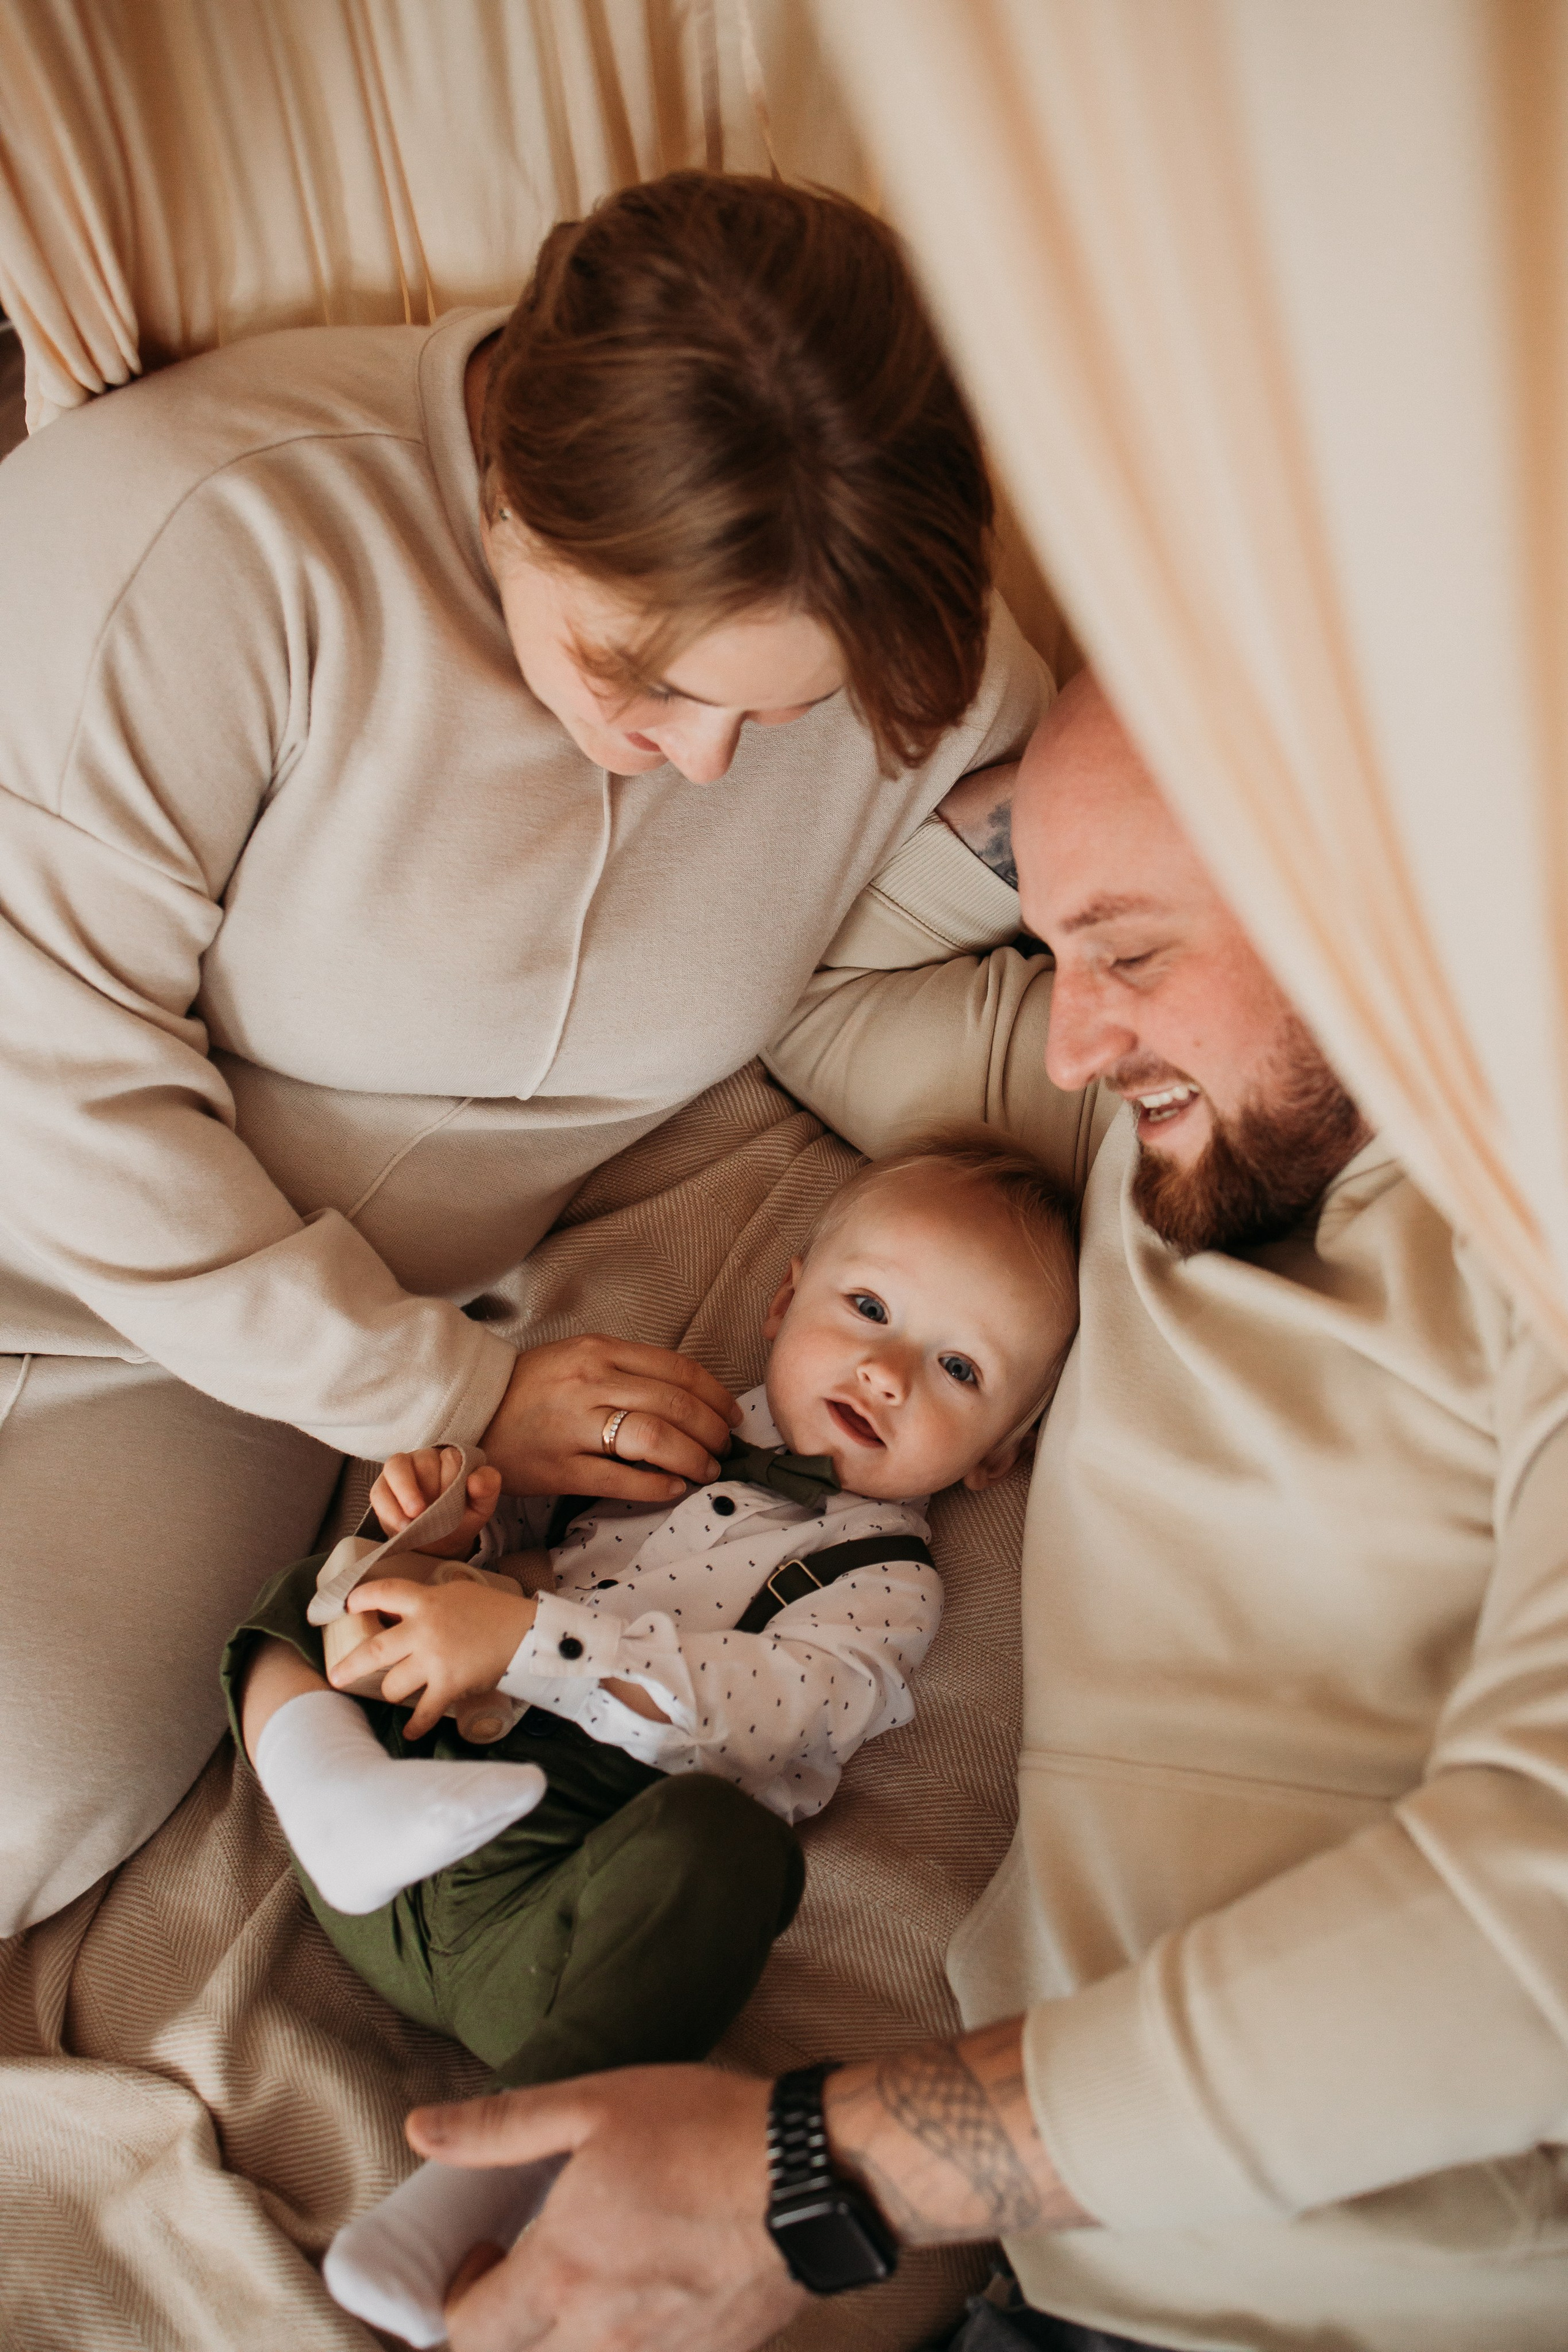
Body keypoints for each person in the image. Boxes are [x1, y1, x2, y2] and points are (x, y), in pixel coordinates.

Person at [398, 672, 1568, 2352]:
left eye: (1130, 950)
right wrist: (1071, 796)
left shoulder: (1523, 1226)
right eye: (1051, 947)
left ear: (1365, 876)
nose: (1072, 1033)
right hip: (1050, 2266)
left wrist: (817, 2174)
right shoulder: (1155, 1110)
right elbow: (798, 984)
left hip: (1390, 2300)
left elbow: (1538, 1923)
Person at [0, 170, 1046, 1936]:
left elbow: (926, 914)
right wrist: (452, 1394)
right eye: (642, 676)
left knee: (25, 1785)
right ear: (509, 485)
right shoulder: (209, 539)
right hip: (96, 1196)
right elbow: (49, 1087)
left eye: (776, 712)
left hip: (221, 1382)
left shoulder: (907, 660)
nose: (702, 762)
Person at [223, 1132, 1078, 2349]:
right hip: (395, 1809)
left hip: (558, 1931)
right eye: (868, 1308)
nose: (886, 1371)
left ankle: (457, 2208)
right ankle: (333, 1792)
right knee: (325, 1588)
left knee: (730, 1852)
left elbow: (773, 1706)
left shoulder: (887, 1583)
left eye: (955, 1366)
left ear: (997, 1455)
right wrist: (439, 1527)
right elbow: (502, 1526)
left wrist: (528, 1638)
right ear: (783, 1302)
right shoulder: (656, 1428)